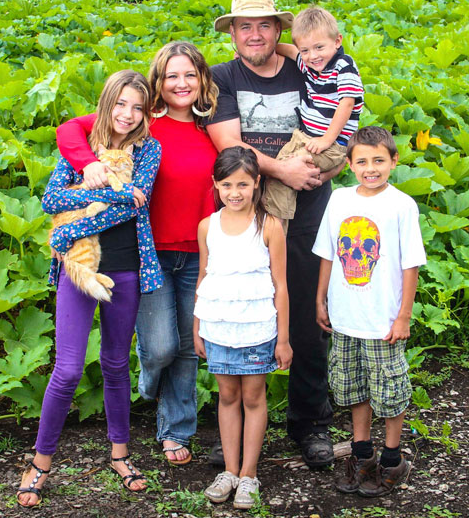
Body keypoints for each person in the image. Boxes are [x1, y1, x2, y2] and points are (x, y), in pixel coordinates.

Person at [54, 41, 220, 465]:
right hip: (149, 254)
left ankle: (174, 430)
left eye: (189, 75)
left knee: (186, 345)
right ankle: (151, 388)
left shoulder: (214, 126)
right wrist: (87, 167)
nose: (181, 84)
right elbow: (72, 129)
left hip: (196, 250)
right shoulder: (140, 124)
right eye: (171, 76)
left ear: (202, 80)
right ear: (158, 84)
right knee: (161, 347)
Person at [17, 70, 162, 506]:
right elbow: (50, 200)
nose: (128, 114)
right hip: (78, 270)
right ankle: (40, 461)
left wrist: (70, 226)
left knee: (117, 363)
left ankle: (119, 453)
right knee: (68, 370)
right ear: (107, 103)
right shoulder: (80, 150)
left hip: (125, 269)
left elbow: (139, 204)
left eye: (137, 107)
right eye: (121, 104)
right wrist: (114, 190)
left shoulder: (149, 150)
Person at [207, 0, 337, 468]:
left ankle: (310, 422)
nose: (255, 34)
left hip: (308, 207)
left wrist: (326, 168)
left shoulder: (308, 70)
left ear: (281, 29)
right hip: (244, 210)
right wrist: (283, 170)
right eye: (246, 26)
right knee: (236, 308)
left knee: (304, 312)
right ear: (233, 33)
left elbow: (339, 125)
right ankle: (234, 425)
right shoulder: (220, 77)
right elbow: (227, 143)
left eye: (265, 24)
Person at [313, 126, 426, 498]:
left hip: (382, 321)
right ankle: (362, 455)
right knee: (353, 388)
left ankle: (393, 459)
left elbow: (411, 265)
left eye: (379, 160)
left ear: (394, 161)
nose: (370, 168)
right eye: (362, 161)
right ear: (349, 164)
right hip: (346, 317)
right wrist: (320, 299)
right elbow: (329, 253)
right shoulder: (339, 200)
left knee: (390, 391)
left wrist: (403, 316)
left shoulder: (401, 205)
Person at [193, 146, 292, 509]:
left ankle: (249, 474)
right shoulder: (208, 226)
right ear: (216, 185)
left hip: (257, 328)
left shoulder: (269, 226)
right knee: (227, 397)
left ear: (257, 184)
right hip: (218, 326)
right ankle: (229, 471)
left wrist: (283, 339)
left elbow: (280, 285)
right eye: (227, 184)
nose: (235, 192)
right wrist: (197, 325)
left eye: (243, 184)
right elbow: (204, 277)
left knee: (253, 397)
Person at [269, 6, 364, 233]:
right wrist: (260, 50)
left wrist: (326, 139)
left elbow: (347, 104)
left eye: (319, 47)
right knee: (278, 171)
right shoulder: (310, 65)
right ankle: (273, 227)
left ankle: (276, 233)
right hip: (304, 138)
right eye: (306, 50)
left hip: (331, 145)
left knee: (290, 170)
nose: (313, 56)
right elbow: (290, 51)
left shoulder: (344, 66)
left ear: (337, 41)